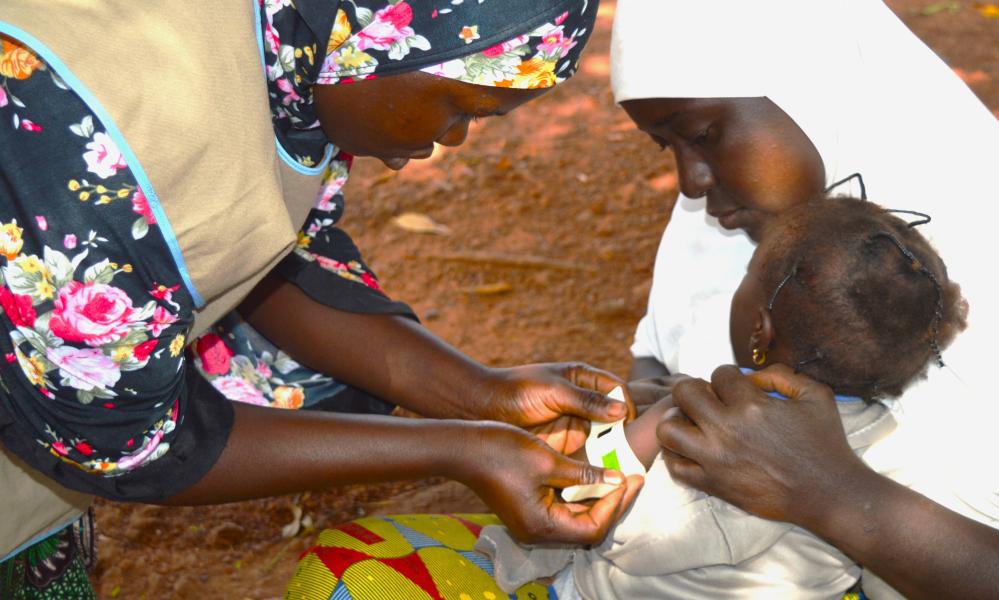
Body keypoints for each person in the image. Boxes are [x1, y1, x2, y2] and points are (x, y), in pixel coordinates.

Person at [0, 1, 644, 597]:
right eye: (462, 107)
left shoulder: (292, 50)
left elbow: (267, 258)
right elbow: (122, 436)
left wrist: (482, 395)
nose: (454, 140)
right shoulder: (101, 147)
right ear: (385, 35)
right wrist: (461, 449)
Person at [612, 0, 999, 598]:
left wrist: (833, 493)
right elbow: (660, 357)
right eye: (666, 146)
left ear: (809, 80)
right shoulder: (721, 227)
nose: (690, 182)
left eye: (702, 135)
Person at [473, 197, 970, 599]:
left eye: (747, 277)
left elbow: (597, 499)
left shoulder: (701, 419)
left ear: (759, 328)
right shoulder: (895, 458)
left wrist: (637, 424)